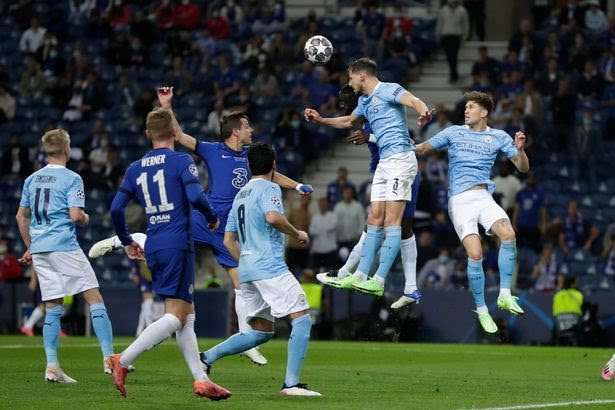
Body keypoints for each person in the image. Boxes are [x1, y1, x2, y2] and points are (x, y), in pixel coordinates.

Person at [92, 86, 313, 365]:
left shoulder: (250, 156)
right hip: (204, 218)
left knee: (240, 281)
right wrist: (167, 106)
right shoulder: (212, 149)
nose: (251, 130)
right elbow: (179, 135)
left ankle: (246, 338)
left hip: (227, 228)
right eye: (247, 127)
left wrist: (297, 185)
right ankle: (125, 239)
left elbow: (272, 173)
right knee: (171, 242)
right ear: (236, 131)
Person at [107, 108, 231, 400]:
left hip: (155, 243)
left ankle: (201, 380)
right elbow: (195, 196)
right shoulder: (181, 160)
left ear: (147, 134)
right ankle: (122, 360)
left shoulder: (135, 167)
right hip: (178, 244)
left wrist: (126, 240)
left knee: (187, 315)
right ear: (174, 133)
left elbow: (115, 208)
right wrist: (211, 217)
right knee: (176, 317)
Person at [199, 143, 321, 397]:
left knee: (260, 332)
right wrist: (297, 233)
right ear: (274, 165)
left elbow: (228, 240)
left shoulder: (240, 194)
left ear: (248, 165)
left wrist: (245, 260)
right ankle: (291, 384)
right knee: (302, 316)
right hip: (269, 265)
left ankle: (206, 358)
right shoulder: (270, 188)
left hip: (247, 270)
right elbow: (273, 217)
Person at [305, 57, 430, 298]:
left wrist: (423, 111)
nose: (349, 81)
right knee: (374, 219)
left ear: (362, 75)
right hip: (384, 163)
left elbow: (413, 100)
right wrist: (321, 119)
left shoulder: (389, 89)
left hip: (401, 159)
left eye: (351, 77)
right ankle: (360, 275)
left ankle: (379, 280)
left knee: (392, 222)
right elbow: (348, 121)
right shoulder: (364, 101)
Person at [415, 91, 530, 334]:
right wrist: (400, 136)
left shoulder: (498, 136)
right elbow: (422, 149)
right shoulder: (453, 132)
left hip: (484, 197)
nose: (466, 110)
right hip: (460, 201)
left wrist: (520, 151)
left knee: (508, 234)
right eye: (465, 107)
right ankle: (482, 310)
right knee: (476, 253)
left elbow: (523, 168)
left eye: (471, 107)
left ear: (484, 112)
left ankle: (505, 294)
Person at [15, 129, 115, 383]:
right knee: (94, 297)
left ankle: (52, 366)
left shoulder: (31, 179)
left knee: (53, 306)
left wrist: (29, 246)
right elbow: (75, 215)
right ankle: (109, 359)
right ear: (67, 149)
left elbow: (21, 216)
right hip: (63, 245)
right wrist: (86, 217)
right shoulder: (72, 178)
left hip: (40, 249)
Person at [436, 0, 469, 83]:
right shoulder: (443, 10)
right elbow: (440, 23)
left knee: (453, 56)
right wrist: (438, 34)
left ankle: (453, 75)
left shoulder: (462, 10)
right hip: (446, 36)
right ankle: (454, 74)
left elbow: (465, 24)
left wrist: (465, 36)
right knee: (449, 56)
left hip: (456, 36)